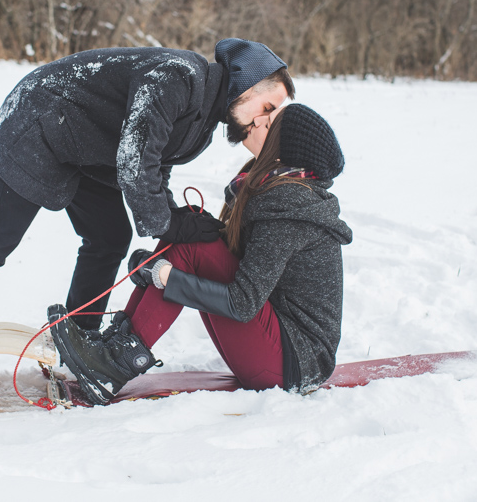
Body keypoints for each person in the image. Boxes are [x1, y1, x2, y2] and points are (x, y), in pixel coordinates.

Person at [0, 38, 295, 412]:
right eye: (267, 107)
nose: (266, 120)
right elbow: (136, 160)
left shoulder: (203, 121)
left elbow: (155, 163)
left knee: (109, 238)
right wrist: (169, 226)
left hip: (79, 145)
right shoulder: (178, 76)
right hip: (37, 121)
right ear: (242, 83)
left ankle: (78, 344)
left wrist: (174, 216)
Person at [47, 103, 353, 405]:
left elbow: (242, 302)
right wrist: (157, 267)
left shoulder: (290, 208)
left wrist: (167, 276)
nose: (258, 121)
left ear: (284, 149)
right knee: (194, 230)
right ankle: (115, 347)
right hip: (276, 344)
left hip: (293, 365)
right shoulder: (272, 191)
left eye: (270, 124)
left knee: (195, 246)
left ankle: (114, 364)